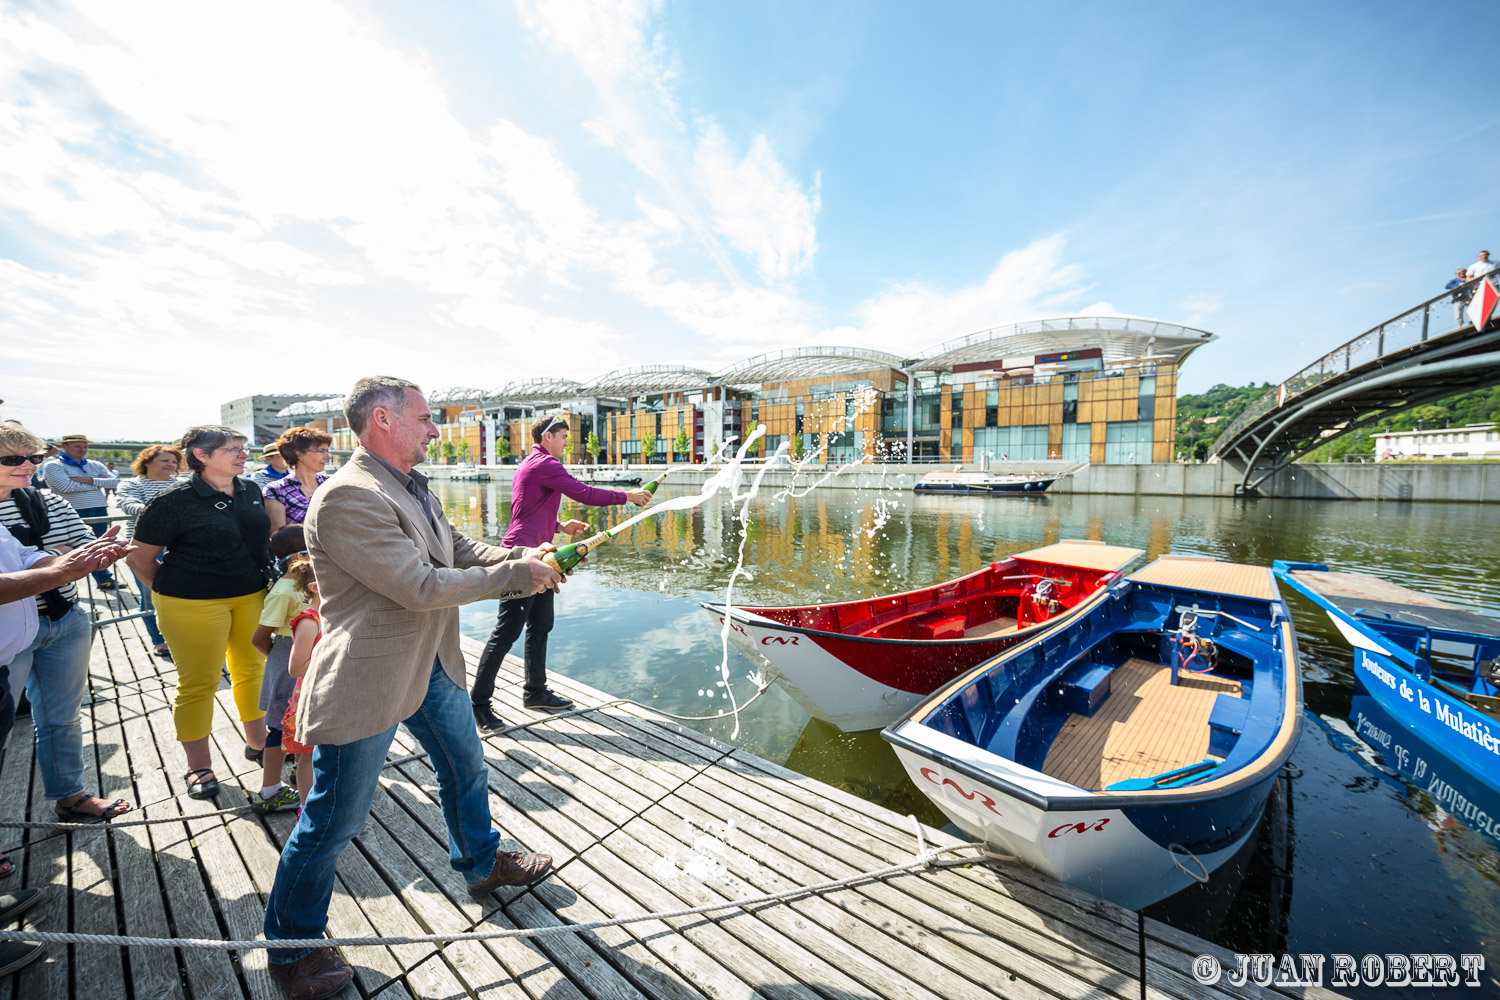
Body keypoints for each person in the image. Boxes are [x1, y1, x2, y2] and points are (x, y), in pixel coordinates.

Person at [262, 376, 561, 997]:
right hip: (369, 675)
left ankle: (481, 863)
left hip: (432, 662)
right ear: (383, 420)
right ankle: (292, 946)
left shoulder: (409, 483)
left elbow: (456, 549)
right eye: (425, 418)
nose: (434, 428)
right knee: (333, 819)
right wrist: (517, 576)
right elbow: (418, 584)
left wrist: (525, 557)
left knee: (466, 767)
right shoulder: (348, 497)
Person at [471, 413, 650, 728]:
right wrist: (628, 496)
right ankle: (479, 705)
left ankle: (535, 692)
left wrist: (560, 526)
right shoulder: (546, 464)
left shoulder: (530, 464)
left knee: (541, 624)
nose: (567, 443)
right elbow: (585, 494)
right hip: (522, 558)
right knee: (506, 633)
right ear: (548, 437)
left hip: (543, 555)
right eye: (564, 437)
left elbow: (527, 512)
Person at [124, 426, 273, 802]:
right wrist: (175, 591)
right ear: (201, 456)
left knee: (253, 672)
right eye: (232, 449)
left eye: (243, 448)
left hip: (250, 595)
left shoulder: (249, 489)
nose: (243, 454)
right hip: (190, 603)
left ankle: (259, 744)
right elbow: (139, 558)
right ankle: (198, 766)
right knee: (199, 683)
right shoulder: (172, 500)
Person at [0, 423, 134, 822]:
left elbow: (79, 547)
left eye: (34, 458)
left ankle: (70, 795)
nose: (29, 465)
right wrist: (59, 563)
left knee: (62, 718)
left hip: (63, 619)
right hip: (9, 634)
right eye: (13, 459)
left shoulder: (47, 500)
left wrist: (62, 561)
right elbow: (61, 559)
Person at [248, 526, 311, 815]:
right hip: (287, 658)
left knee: (305, 723)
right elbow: (260, 638)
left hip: (309, 657)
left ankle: (303, 776)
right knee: (279, 726)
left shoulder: (312, 585)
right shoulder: (284, 591)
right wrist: (282, 662)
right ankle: (270, 791)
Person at [116, 444, 184, 658]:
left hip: (180, 545)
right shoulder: (131, 484)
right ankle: (159, 640)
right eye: (165, 460)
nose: (170, 464)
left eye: (174, 461)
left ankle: (182, 635)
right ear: (147, 462)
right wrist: (156, 510)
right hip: (145, 547)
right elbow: (127, 503)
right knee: (150, 595)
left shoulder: (182, 484)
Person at [40, 434, 119, 589]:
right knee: (78, 546)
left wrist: (88, 480)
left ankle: (103, 578)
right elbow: (65, 487)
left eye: (85, 446)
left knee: (99, 544)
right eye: (78, 446)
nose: (83, 450)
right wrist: (98, 482)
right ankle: (66, 581)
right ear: (64, 446)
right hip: (71, 511)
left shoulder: (94, 464)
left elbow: (115, 482)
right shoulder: (53, 465)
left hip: (99, 509)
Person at [278, 555, 321, 807]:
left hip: (332, 695)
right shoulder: (309, 621)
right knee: (308, 756)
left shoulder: (335, 615)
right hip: (312, 697)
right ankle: (306, 809)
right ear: (314, 587)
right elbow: (296, 668)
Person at [263, 426, 334, 534]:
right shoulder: (276, 490)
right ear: (299, 454)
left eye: (327, 451)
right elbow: (279, 538)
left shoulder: (331, 484)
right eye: (322, 451)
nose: (327, 457)